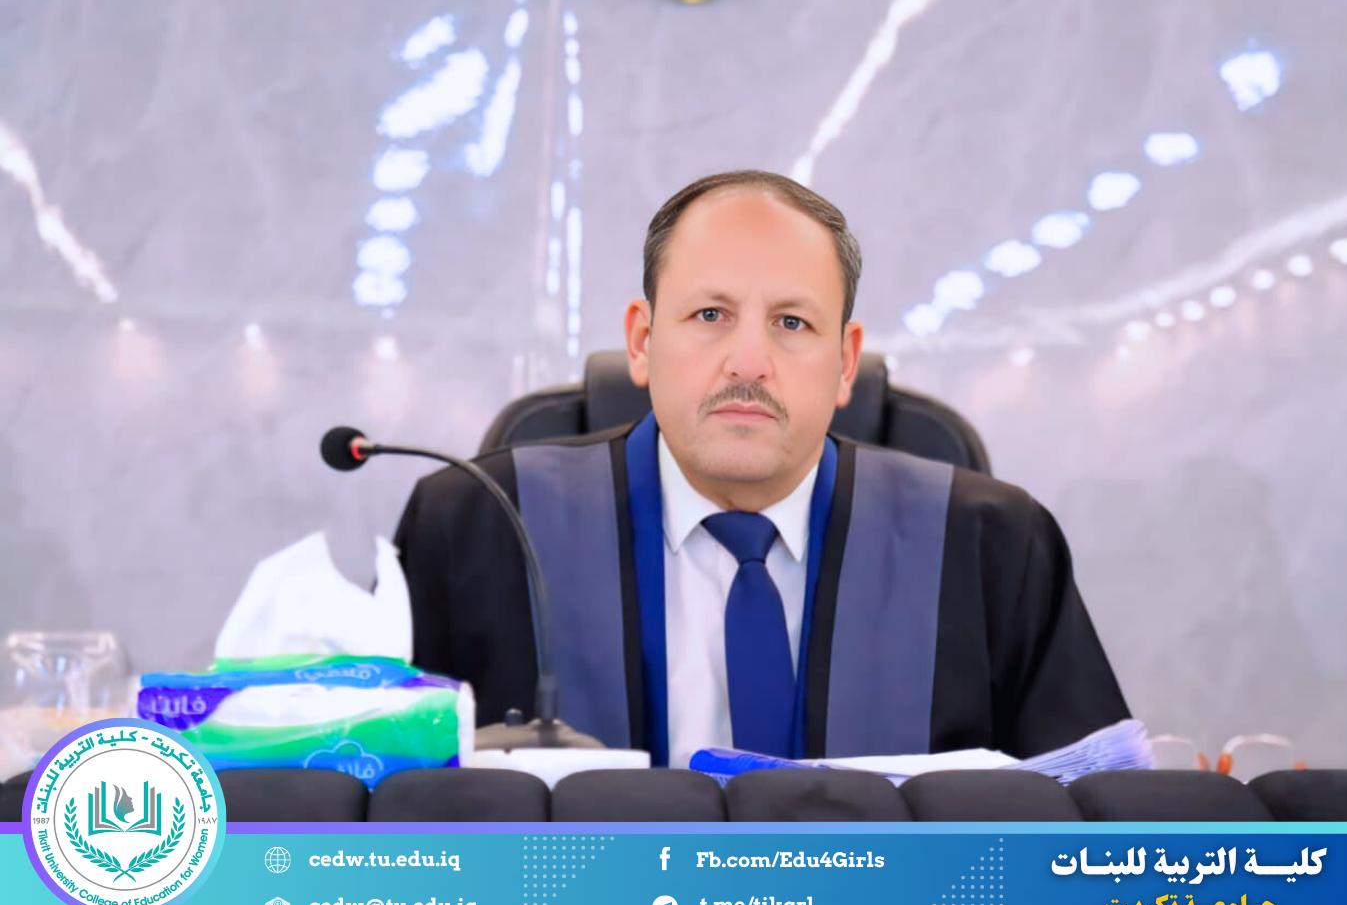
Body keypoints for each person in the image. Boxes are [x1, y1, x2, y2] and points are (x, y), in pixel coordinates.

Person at [394, 170, 1129, 768]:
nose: (748, 362)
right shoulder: (477, 529)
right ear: (642, 342)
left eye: (791, 322)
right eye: (710, 315)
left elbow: (1092, 835)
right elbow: (378, 825)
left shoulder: (990, 546)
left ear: (845, 362)